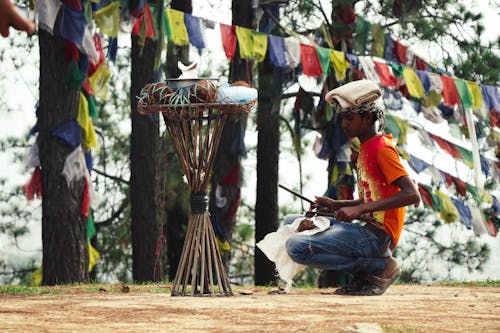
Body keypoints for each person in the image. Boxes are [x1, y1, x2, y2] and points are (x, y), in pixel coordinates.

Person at [285, 79, 420, 295]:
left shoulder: (382, 150)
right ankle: (368, 270)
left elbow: (412, 195)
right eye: (342, 119)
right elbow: (373, 198)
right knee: (291, 223)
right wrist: (338, 204)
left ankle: (379, 267)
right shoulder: (365, 148)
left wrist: (359, 210)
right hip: (364, 229)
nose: (343, 124)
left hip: (378, 237)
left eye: (349, 118)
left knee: (296, 247)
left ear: (366, 117)